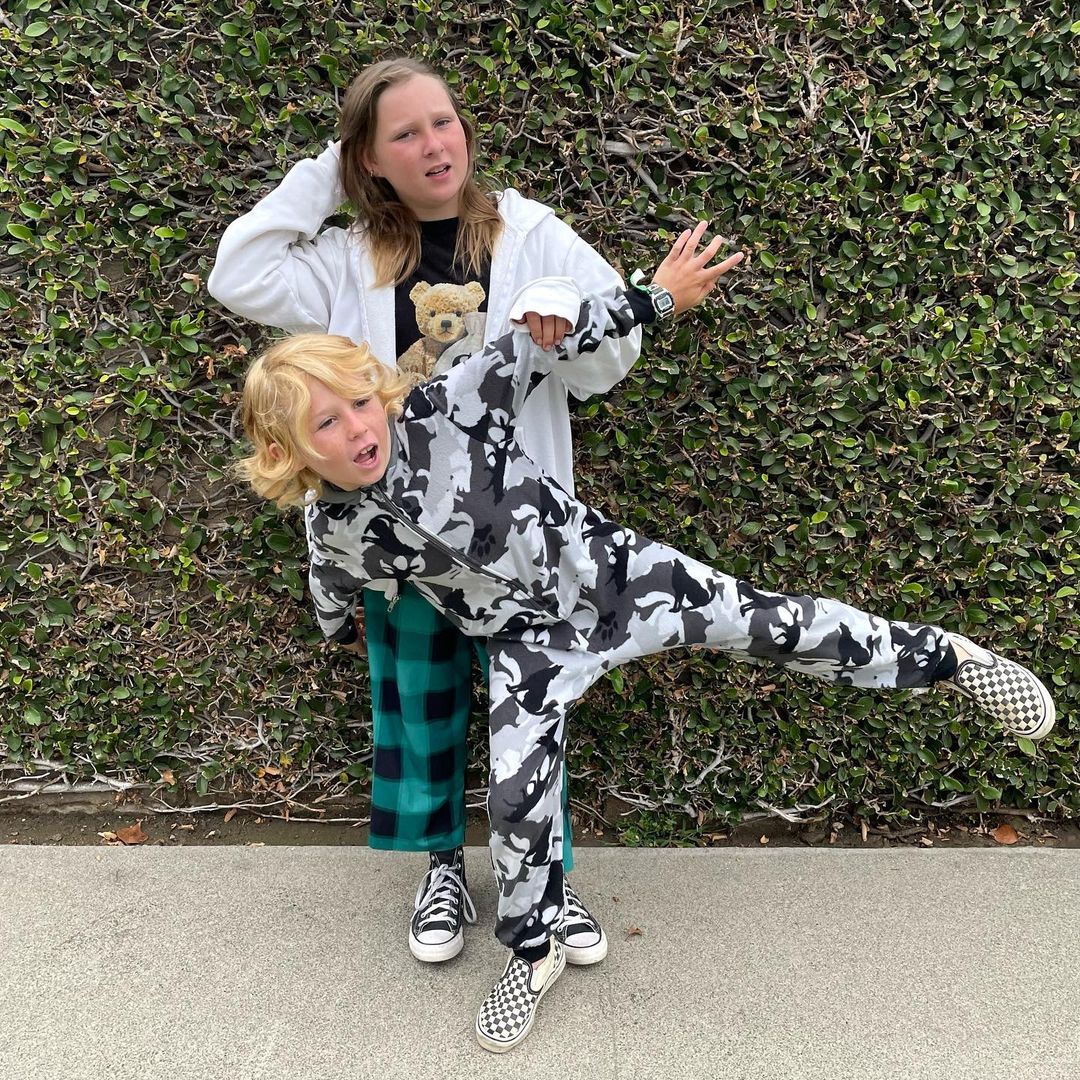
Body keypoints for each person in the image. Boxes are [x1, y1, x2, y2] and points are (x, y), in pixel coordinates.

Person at [236, 228, 1055, 1053]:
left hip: (618, 578)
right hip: (527, 649)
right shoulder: (335, 527)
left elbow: (536, 344)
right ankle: (534, 950)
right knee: (515, 799)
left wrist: (657, 296)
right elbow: (331, 583)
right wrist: (335, 624)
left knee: (774, 623)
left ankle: (949, 659)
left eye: (359, 402)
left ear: (379, 389)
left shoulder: (447, 405)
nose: (357, 428)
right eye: (326, 424)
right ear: (287, 453)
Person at [208, 57, 651, 968]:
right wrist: (330, 171)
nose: (433, 145)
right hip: (400, 539)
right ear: (369, 159)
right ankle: (442, 866)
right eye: (403, 134)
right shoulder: (345, 261)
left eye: (443, 122)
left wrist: (560, 316)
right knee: (422, 708)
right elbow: (237, 272)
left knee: (533, 707)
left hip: (515, 534)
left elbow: (617, 350)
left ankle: (544, 878)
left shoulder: (529, 232)